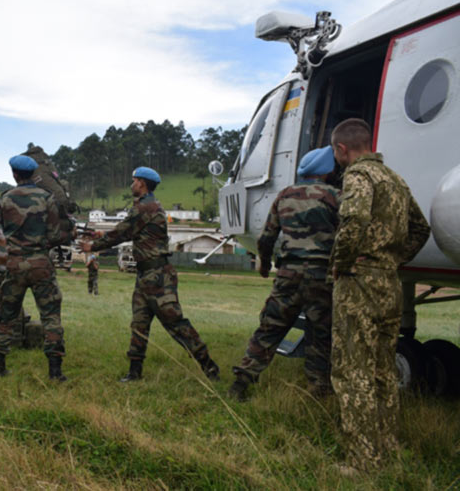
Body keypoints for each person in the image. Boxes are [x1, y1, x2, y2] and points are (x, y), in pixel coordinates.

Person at [329, 118, 430, 473]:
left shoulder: (358, 177)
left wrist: (342, 262)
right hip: (389, 284)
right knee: (383, 370)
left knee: (352, 369)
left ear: (342, 149)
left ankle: (362, 461)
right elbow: (421, 227)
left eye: (336, 153)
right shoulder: (395, 179)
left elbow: (353, 221)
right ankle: (388, 447)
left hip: (359, 284)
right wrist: (393, 258)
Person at [81, 167, 219, 382]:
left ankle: (209, 368)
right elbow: (129, 230)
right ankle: (134, 373)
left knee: (176, 324)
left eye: (134, 181)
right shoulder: (146, 207)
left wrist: (93, 246)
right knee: (139, 324)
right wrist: (101, 234)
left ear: (142, 184)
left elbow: (123, 232)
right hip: (147, 275)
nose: (131, 184)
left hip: (158, 277)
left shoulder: (145, 207)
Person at [228, 146, 340, 401]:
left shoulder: (285, 195)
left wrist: (265, 264)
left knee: (270, 328)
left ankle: (241, 382)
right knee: (320, 334)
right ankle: (318, 391)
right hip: (321, 277)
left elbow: (267, 237)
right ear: (329, 171)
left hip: (288, 274)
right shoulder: (336, 197)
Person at [0, 155, 74, 380]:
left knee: (6, 315)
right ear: (33, 174)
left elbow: (2, 229)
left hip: (14, 264)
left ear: (15, 174)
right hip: (40, 264)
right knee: (50, 316)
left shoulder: (5, 199)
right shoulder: (47, 198)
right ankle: (55, 371)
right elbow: (56, 236)